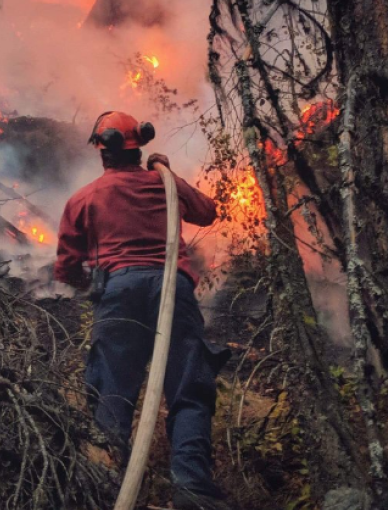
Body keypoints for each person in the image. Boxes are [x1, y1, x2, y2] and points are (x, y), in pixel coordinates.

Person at [54, 111, 232, 510]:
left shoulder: (84, 199)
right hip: (173, 290)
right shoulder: (162, 185)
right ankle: (192, 488)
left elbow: (66, 267)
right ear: (141, 146)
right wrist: (168, 173)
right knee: (188, 389)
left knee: (112, 392)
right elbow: (206, 211)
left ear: (101, 150)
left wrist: (94, 287)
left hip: (118, 294)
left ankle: (107, 487)